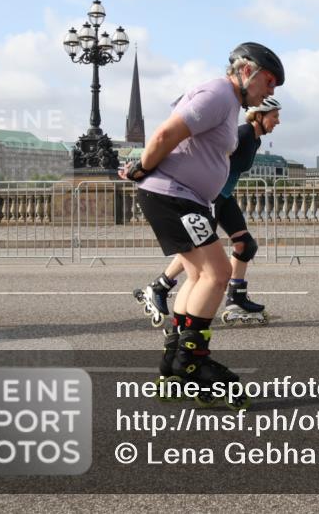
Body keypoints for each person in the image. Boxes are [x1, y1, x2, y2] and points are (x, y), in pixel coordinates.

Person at [121, 42, 283, 407]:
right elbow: (166, 133)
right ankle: (192, 363)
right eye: (269, 82)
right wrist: (143, 166)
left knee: (198, 277)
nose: (270, 92)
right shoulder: (218, 95)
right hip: (174, 194)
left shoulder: (225, 101)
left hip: (182, 196)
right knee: (218, 273)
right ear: (247, 72)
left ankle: (173, 367)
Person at [134, 96, 282, 327]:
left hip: (224, 197)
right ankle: (160, 286)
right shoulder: (242, 135)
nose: (278, 121)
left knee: (245, 245)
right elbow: (211, 157)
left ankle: (236, 299)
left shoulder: (255, 141)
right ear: (260, 116)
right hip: (211, 197)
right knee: (201, 250)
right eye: (275, 116)